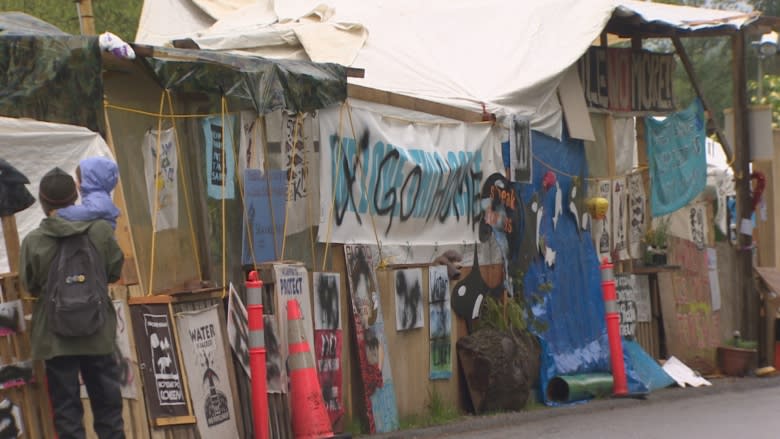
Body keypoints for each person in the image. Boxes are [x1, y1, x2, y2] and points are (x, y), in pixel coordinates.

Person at [19, 167, 125, 439]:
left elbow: (29, 284)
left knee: (67, 417)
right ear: (75, 196)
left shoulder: (33, 241)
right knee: (110, 415)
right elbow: (114, 271)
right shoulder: (100, 231)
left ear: (43, 203)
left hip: (55, 341)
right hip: (98, 334)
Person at [55, 157, 121, 229]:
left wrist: (61, 212)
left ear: (89, 181)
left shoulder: (98, 198)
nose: (76, 182)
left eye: (77, 178)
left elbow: (86, 212)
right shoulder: (98, 197)